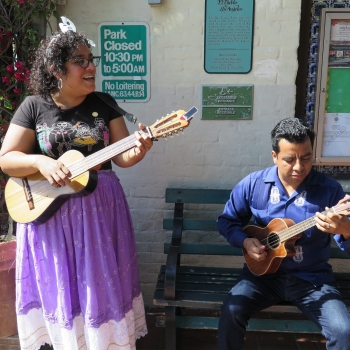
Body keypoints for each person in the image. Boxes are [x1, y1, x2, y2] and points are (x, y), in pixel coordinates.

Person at [0, 29, 152, 349]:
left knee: (97, 288)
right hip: (48, 213)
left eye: (91, 59)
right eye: (79, 61)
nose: (91, 67)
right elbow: (8, 159)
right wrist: (42, 164)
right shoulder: (33, 106)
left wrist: (140, 148)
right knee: (61, 287)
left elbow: (122, 156)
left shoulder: (104, 103)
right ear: (56, 69)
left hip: (98, 211)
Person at [217, 118, 350, 350]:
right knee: (230, 312)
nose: (299, 166)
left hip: (312, 279)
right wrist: (246, 241)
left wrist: (344, 229)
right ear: (274, 156)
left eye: (306, 157)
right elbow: (226, 221)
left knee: (344, 331)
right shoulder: (254, 184)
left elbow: (346, 242)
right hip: (261, 277)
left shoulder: (329, 190)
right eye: (289, 159)